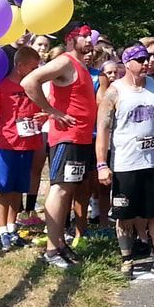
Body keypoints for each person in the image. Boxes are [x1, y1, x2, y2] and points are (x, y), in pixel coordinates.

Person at [96, 44, 154, 279]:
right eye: (141, 59)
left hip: (153, 159)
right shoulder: (114, 91)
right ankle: (127, 258)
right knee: (124, 213)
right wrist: (102, 163)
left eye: (149, 58)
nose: (147, 63)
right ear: (128, 63)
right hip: (125, 162)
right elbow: (103, 129)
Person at [21, 23, 99, 268]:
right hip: (68, 137)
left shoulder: (81, 64)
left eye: (89, 36)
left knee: (69, 190)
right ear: (69, 39)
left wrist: (51, 111)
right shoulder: (65, 61)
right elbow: (29, 82)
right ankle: (52, 249)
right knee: (60, 190)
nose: (89, 40)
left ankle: (60, 244)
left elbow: (68, 95)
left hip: (81, 137)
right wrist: (52, 111)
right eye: (83, 36)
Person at [0, 46, 43, 251]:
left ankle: (12, 228)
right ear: (19, 66)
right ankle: (2, 230)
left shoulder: (34, 87)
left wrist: (45, 116)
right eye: (33, 67)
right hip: (6, 144)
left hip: (28, 143)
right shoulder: (2, 86)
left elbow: (45, 109)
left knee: (18, 189)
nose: (36, 70)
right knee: (4, 189)